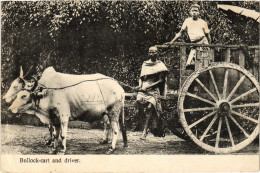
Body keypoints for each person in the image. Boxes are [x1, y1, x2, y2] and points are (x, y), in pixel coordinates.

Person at [135, 46, 168, 140]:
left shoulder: (160, 65)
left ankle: (145, 131)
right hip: (144, 88)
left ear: (157, 53)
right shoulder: (145, 64)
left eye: (154, 52)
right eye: (150, 52)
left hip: (154, 89)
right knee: (138, 100)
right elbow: (141, 77)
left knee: (150, 107)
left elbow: (161, 80)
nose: (152, 54)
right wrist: (140, 86)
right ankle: (145, 123)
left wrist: (149, 86)